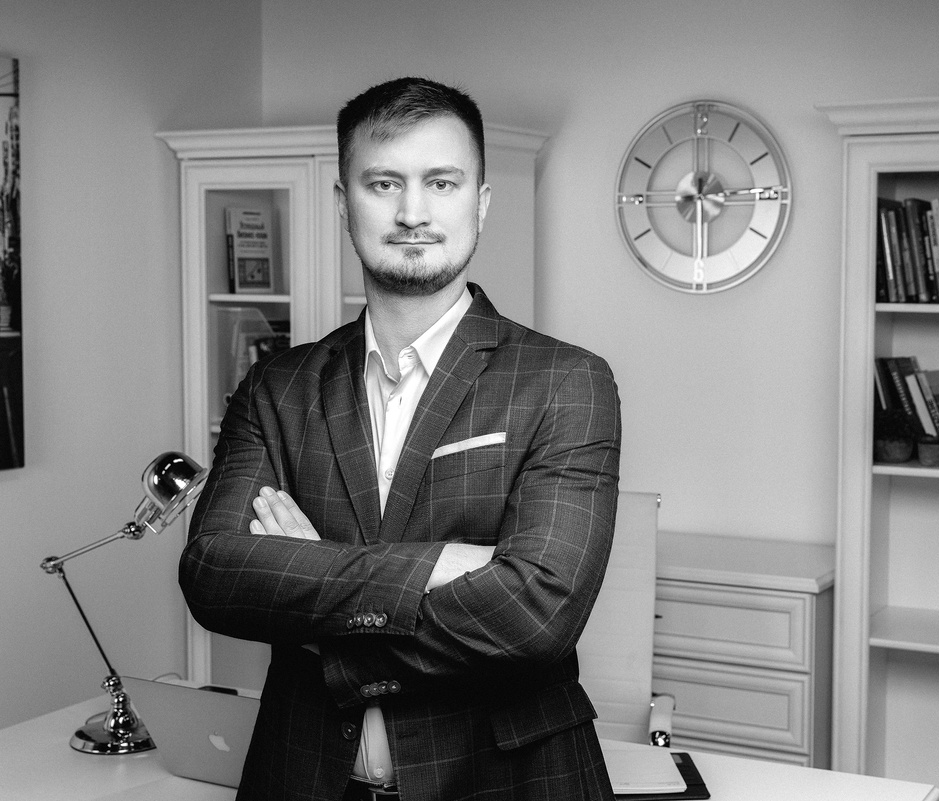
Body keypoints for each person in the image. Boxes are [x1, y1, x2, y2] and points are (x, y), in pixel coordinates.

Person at [179, 77, 621, 801]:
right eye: (384, 183)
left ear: (480, 203)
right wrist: (446, 564)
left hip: (507, 780)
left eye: (441, 182)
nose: (413, 212)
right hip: (304, 776)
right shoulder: (277, 386)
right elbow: (215, 577)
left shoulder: (567, 381)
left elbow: (537, 615)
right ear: (343, 202)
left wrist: (313, 584)